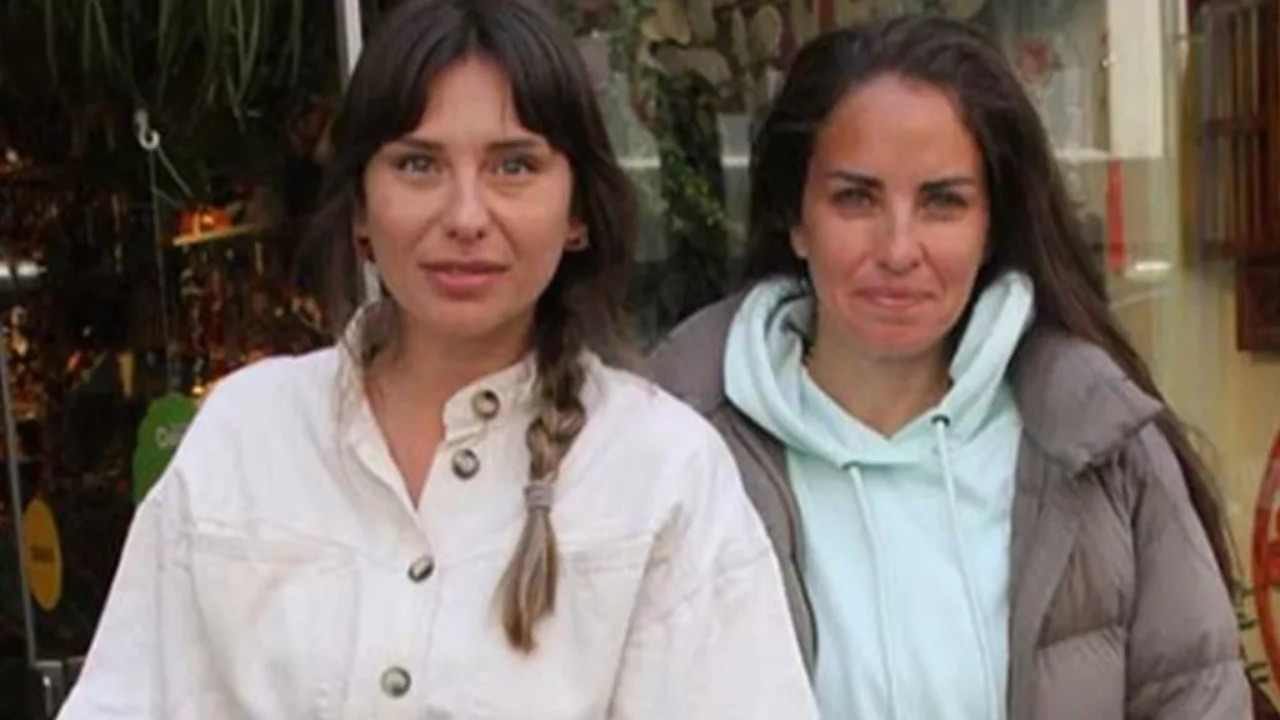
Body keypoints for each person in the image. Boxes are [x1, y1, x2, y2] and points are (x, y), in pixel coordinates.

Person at [58, 1, 819, 717]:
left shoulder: (660, 469)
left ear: (579, 211)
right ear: (360, 208)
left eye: (514, 166)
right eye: (418, 165)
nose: (465, 217)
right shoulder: (245, 436)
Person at [649, 16, 1250, 720]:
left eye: (943, 202)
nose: (898, 249)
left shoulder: (1102, 445)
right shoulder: (673, 447)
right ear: (797, 220)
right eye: (855, 198)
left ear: (991, 226)